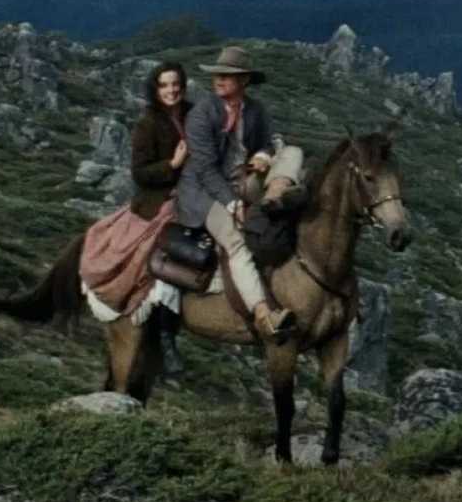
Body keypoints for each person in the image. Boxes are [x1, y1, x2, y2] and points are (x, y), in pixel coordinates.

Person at [175, 46, 298, 341]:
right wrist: (231, 203)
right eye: (218, 75)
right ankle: (263, 314)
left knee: (293, 152)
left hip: (244, 179)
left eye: (227, 76)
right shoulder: (202, 114)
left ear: (244, 81)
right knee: (235, 241)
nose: (219, 80)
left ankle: (274, 196)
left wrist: (263, 157)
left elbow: (269, 143)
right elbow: (204, 170)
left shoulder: (255, 110)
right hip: (205, 191)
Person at [77, 61, 192, 362]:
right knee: (164, 253)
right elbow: (140, 173)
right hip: (160, 199)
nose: (171, 90)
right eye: (164, 85)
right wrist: (173, 166)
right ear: (156, 90)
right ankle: (166, 335)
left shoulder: (192, 113)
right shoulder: (148, 123)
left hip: (195, 191)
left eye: (175, 83)